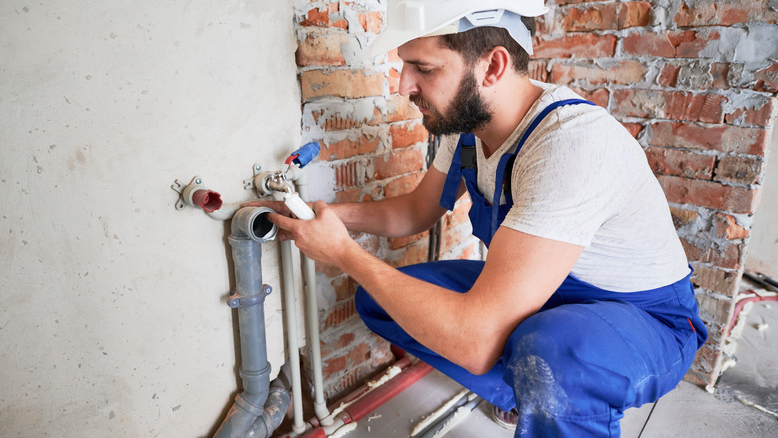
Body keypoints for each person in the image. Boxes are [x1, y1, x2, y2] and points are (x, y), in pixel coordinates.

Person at [262, 1, 708, 436]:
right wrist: (323, 217)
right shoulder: (469, 131)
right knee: (381, 302)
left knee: (552, 355)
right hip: (546, 295)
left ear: (492, 67)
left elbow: (474, 345)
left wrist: (342, 253)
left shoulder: (570, 144)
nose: (403, 86)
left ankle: (548, 391)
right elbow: (414, 212)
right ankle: (527, 394)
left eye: (424, 68)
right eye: (405, 66)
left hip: (643, 317)